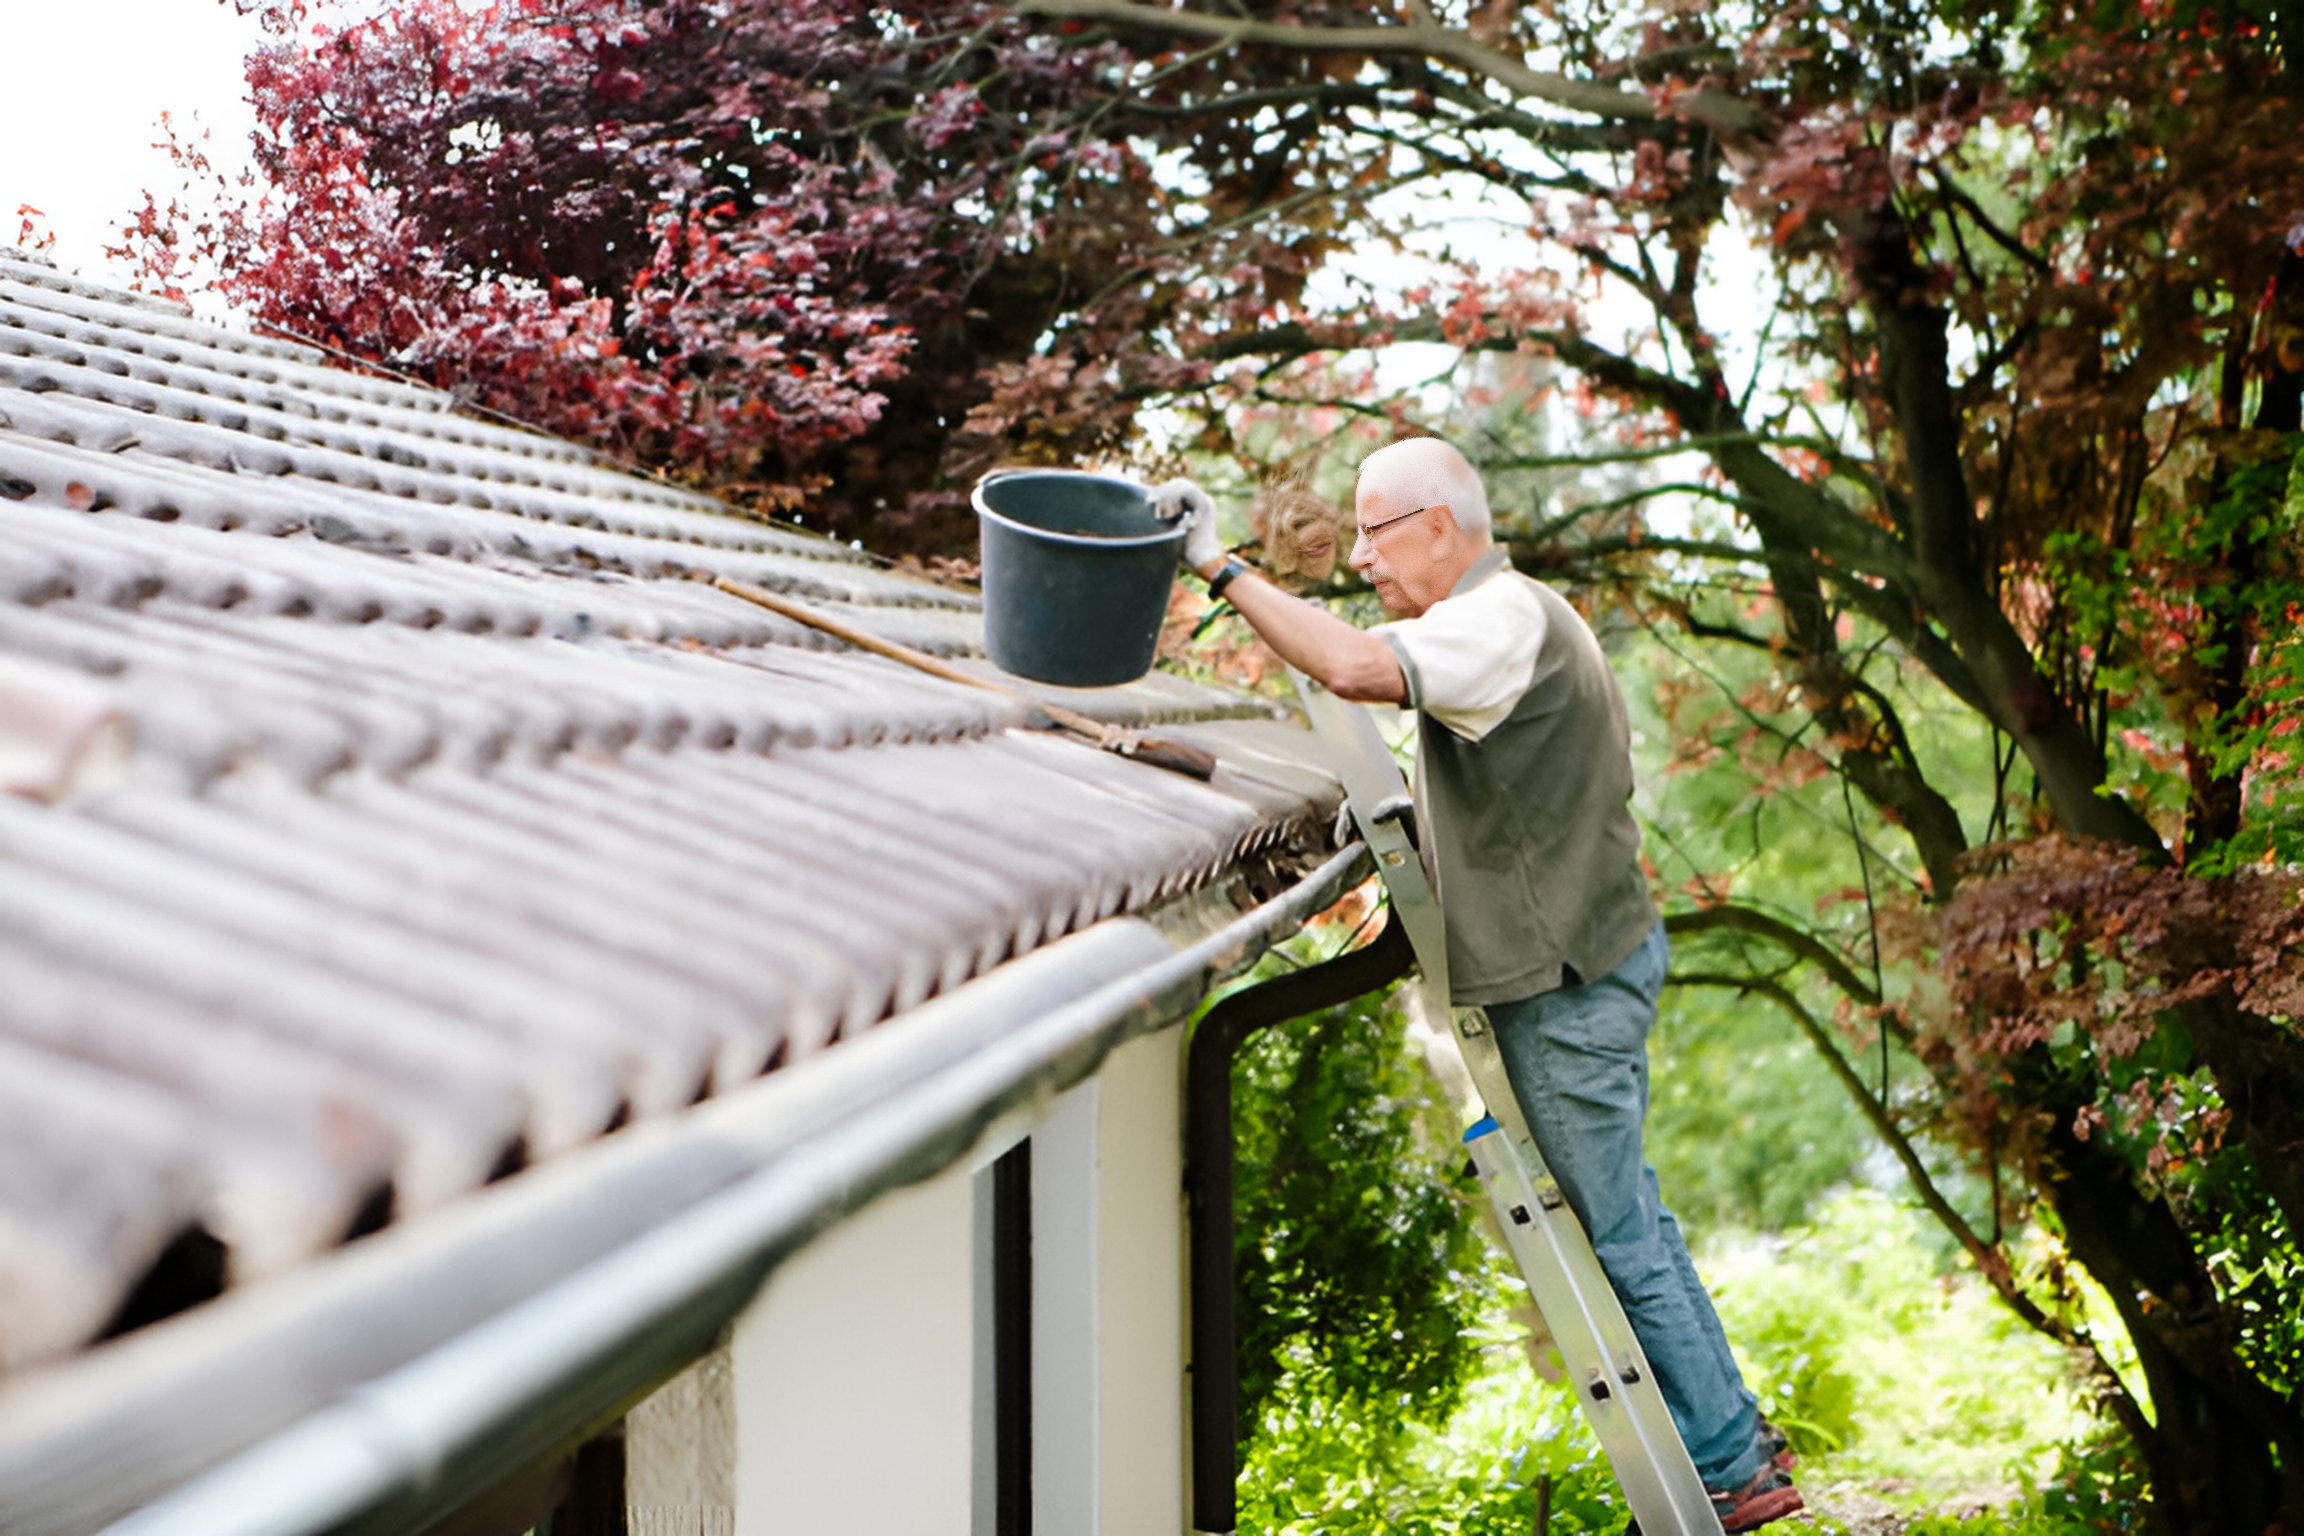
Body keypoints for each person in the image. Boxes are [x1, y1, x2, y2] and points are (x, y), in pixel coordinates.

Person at [1153, 439, 1805, 1533]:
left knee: (1614, 1236)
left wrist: (1217, 566)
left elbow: (1357, 668)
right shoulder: (1517, 614)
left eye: (1376, 532)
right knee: (1631, 1217)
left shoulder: (1496, 624)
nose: (1360, 556)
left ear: (1441, 527)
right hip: (1588, 963)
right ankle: (1736, 1430)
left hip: (1562, 985)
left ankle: (1732, 1469)